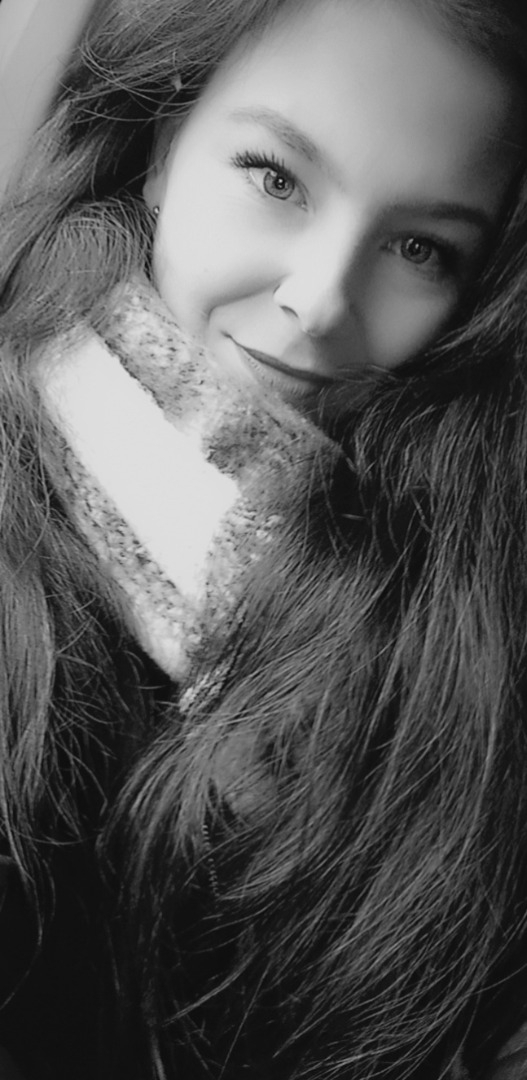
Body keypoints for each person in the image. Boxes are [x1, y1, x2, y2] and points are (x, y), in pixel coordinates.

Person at [0, 0, 527, 1077]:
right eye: (275, 178)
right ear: (163, 146)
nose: (320, 299)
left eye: (419, 247)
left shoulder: (459, 616)